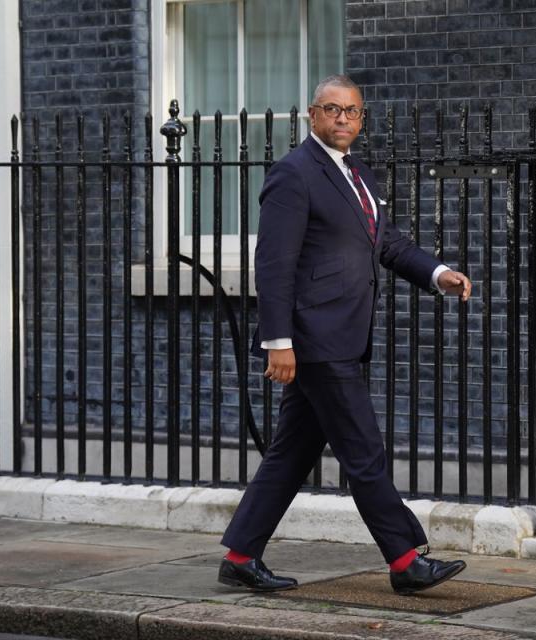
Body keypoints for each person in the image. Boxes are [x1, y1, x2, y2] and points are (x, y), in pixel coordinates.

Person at [218, 75, 472, 595]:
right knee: (363, 450)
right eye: (332, 110)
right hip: (316, 339)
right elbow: (273, 264)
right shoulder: (293, 174)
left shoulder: (359, 173)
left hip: (344, 335)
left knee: (291, 452)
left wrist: (437, 273)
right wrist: (278, 341)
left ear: (361, 119)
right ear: (312, 115)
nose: (342, 119)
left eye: (351, 112)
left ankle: (241, 554)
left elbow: (388, 243)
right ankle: (404, 560)